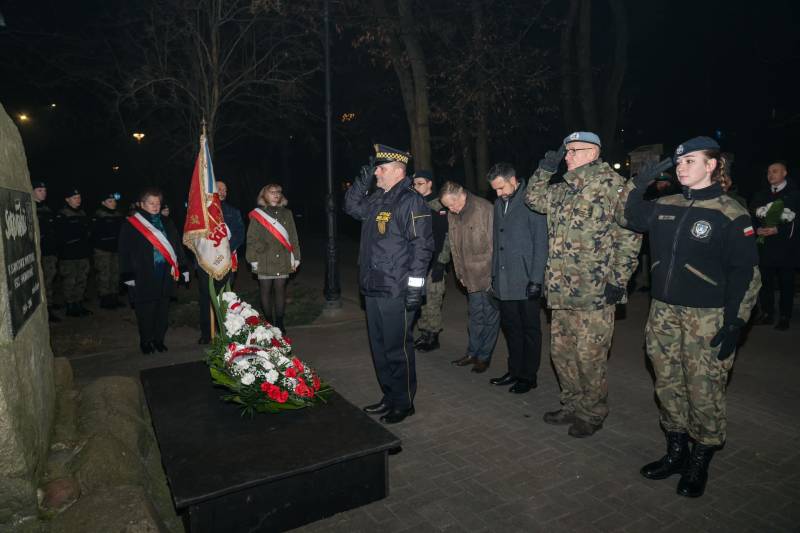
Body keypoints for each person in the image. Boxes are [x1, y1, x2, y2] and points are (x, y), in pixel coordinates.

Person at [624, 136, 761, 498]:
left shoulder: (730, 212)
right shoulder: (665, 204)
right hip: (663, 312)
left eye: (690, 161)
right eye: (679, 162)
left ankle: (700, 459)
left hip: (707, 316)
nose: (681, 167)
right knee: (667, 383)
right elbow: (631, 217)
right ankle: (676, 452)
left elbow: (746, 274)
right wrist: (639, 185)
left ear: (712, 165)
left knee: (704, 390)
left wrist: (735, 323)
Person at [525, 131, 641, 438]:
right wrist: (544, 170)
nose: (567, 156)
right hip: (560, 291)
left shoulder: (613, 187)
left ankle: (592, 412)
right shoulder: (563, 187)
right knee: (562, 354)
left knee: (589, 357)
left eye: (573, 151)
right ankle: (571, 404)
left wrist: (619, 280)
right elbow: (533, 199)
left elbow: (629, 237)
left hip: (594, 292)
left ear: (593, 153)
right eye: (567, 151)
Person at [344, 144, 433, 424]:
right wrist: (361, 182)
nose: (376, 173)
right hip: (373, 284)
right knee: (380, 348)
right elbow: (351, 207)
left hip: (396, 288)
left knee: (397, 349)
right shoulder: (378, 198)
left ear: (397, 171)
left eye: (380, 169)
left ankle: (404, 402)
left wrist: (415, 288)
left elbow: (422, 247)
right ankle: (389, 396)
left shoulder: (411, 201)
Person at [487, 163, 548, 394]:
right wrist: (494, 275)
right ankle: (514, 371)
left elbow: (541, 243)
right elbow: (497, 241)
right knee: (511, 329)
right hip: (504, 280)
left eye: (501, 188)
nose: (498, 193)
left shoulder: (532, 200)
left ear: (513, 180)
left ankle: (528, 376)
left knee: (530, 330)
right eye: (495, 189)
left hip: (526, 279)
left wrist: (536, 280)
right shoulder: (498, 204)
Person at [119, 187, 189, 354]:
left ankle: (159, 340)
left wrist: (183, 267)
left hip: (166, 273)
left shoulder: (167, 222)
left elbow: (176, 246)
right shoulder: (132, 224)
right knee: (146, 311)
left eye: (158, 203)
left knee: (162, 310)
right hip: (143, 274)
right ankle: (146, 341)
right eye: (151, 203)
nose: (156, 206)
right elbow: (124, 251)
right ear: (142, 204)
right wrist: (127, 274)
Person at [440, 181, 498, 374]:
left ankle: (484, 357)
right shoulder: (453, 214)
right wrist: (459, 273)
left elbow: (496, 246)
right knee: (474, 317)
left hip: (487, 276)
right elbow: (454, 248)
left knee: (490, 317)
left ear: (461, 195)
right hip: (469, 277)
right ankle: (472, 352)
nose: (451, 209)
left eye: (452, 204)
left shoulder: (485, 209)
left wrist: (495, 277)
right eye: (447, 207)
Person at [246, 183, 300, 333]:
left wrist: (296, 257)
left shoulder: (287, 213)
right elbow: (251, 238)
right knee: (265, 290)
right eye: (272, 192)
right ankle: (269, 322)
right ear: (264, 195)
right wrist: (253, 259)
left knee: (280, 290)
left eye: (278, 192)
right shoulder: (258, 214)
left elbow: (293, 236)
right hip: (264, 258)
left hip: (283, 258)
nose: (276, 194)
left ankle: (280, 323)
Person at [751, 161, 798, 331]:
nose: (770, 175)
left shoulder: (794, 195)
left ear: (784, 173)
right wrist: (757, 229)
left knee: (786, 283)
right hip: (766, 247)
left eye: (775, 171)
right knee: (765, 282)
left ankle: (785, 316)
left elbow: (797, 221)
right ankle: (767, 313)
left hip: (786, 247)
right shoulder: (761, 194)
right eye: (769, 172)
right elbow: (752, 217)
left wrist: (778, 229)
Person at [196, 180, 245, 344]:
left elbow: (239, 234)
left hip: (226, 260)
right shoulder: (201, 212)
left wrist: (224, 250)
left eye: (225, 189)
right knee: (206, 297)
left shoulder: (233, 212)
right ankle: (206, 333)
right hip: (205, 261)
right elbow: (195, 236)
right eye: (219, 188)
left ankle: (225, 330)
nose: (223, 191)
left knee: (225, 296)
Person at [411, 170, 450, 352]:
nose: (416, 187)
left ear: (429, 184)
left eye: (420, 183)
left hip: (435, 262)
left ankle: (433, 336)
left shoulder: (439, 206)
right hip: (419, 262)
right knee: (421, 300)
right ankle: (425, 333)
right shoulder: (415, 204)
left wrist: (441, 263)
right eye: (414, 184)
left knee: (433, 299)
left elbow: (447, 236)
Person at [55, 188, 93, 317]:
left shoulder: (82, 213)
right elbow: (60, 235)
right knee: (70, 281)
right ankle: (70, 306)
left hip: (82, 253)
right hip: (69, 255)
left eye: (79, 197)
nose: (78, 200)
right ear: (67, 199)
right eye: (75, 198)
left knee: (82, 279)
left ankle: (79, 303)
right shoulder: (62, 214)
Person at [32, 180, 60, 321]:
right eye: (40, 190)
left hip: (49, 251)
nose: (44, 193)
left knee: (49, 280)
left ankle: (49, 307)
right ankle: (44, 310)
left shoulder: (47, 210)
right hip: (37, 253)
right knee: (40, 282)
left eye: (45, 190)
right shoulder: (30, 207)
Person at [92, 192, 124, 309]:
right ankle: (105, 299)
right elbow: (94, 234)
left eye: (114, 201)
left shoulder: (118, 215)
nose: (113, 203)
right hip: (103, 250)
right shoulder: (98, 215)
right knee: (104, 274)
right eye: (110, 201)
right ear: (103, 203)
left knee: (115, 273)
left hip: (116, 249)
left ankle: (114, 297)